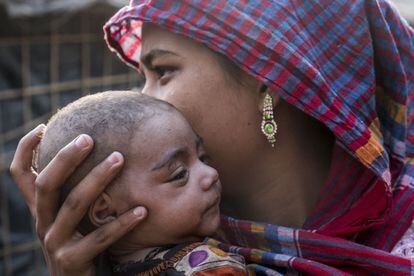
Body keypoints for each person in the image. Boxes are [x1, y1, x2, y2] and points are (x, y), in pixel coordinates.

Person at [10, 0, 414, 274]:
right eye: (142, 79)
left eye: (163, 72)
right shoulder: (156, 243)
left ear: (267, 75)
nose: (143, 103)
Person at [35, 90, 247, 275]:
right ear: (105, 212)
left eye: (202, 158)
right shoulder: (206, 268)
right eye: (179, 175)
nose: (211, 174)